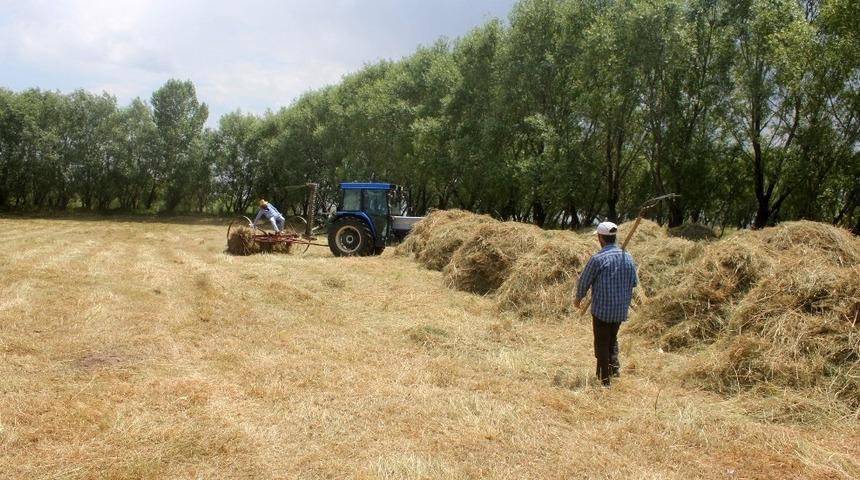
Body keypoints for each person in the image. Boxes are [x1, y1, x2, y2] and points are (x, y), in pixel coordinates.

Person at [574, 221, 638, 386]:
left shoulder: (598, 259)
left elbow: (584, 281)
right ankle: (614, 370)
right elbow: (634, 282)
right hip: (620, 310)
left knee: (602, 343)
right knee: (612, 339)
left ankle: (604, 380)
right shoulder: (627, 257)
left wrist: (578, 298)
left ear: (601, 238)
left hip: (602, 310)